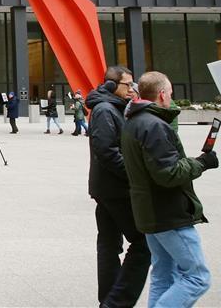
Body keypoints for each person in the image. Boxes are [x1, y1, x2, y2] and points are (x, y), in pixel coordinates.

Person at [121, 71, 218, 308]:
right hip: (168, 214)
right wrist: (201, 163)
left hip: (151, 213)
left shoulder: (134, 121)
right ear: (162, 94)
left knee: (164, 275)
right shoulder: (153, 125)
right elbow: (168, 174)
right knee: (198, 278)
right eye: (171, 93)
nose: (171, 98)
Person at [86, 65, 149, 308]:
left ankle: (109, 300)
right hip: (115, 189)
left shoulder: (116, 107)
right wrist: (134, 174)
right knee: (142, 244)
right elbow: (106, 151)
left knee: (109, 244)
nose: (132, 88)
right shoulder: (105, 110)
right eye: (128, 84)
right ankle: (118, 301)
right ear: (112, 86)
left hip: (109, 188)